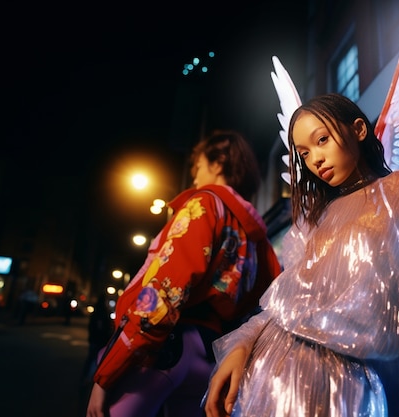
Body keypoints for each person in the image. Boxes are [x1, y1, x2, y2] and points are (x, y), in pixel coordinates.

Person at [204, 94, 399, 417]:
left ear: (359, 129)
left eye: (322, 140)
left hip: (347, 384)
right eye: (303, 154)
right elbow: (285, 303)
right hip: (274, 372)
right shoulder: (319, 217)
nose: (315, 159)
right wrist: (242, 345)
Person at [86, 130, 282, 417]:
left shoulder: (202, 205)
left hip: (169, 346)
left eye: (198, 167)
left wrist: (107, 375)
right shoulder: (259, 240)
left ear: (217, 164)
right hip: (212, 357)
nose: (195, 177)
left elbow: (163, 293)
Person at [80, 293, 114, 386]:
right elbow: (101, 328)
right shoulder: (102, 314)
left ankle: (86, 377)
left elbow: (92, 326)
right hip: (99, 340)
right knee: (95, 359)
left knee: (91, 358)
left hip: (94, 339)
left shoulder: (96, 312)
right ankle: (89, 378)